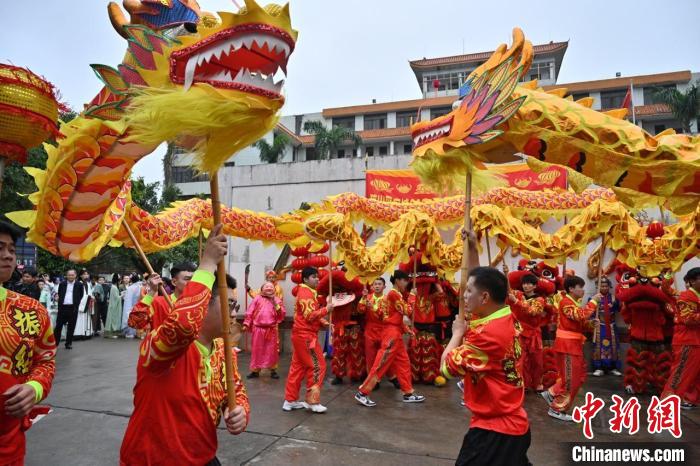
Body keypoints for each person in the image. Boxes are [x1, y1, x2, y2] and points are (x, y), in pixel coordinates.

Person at [120, 225, 250, 465]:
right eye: (230, 305)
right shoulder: (162, 334)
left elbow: (236, 390)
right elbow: (177, 326)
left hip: (204, 456)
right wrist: (208, 264)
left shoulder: (222, 349)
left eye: (236, 307)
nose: (234, 314)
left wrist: (240, 411)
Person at [441, 266, 531, 466]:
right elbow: (480, 277)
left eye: (469, 291)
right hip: (514, 424)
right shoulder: (505, 315)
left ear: (484, 298)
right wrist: (472, 246)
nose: (463, 296)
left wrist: (456, 334)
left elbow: (446, 368)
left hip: (495, 432)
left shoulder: (486, 335)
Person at [0, 221, 56, 465]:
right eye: (0, 248)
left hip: (8, 440)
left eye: (12, 249)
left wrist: (34, 388)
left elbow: (45, 362)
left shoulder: (31, 310)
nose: (7, 256)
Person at [354, 270, 425, 407]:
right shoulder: (393, 294)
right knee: (380, 364)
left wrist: (406, 329)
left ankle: (408, 393)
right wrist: (412, 296)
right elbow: (407, 311)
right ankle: (362, 393)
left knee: (403, 363)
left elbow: (392, 317)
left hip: (394, 332)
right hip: (390, 334)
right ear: (398, 280)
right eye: (405, 280)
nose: (406, 283)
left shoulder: (393, 295)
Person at [541, 276, 600, 421]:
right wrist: (593, 302)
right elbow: (579, 315)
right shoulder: (566, 302)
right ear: (571, 289)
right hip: (567, 346)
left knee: (576, 376)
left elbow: (578, 323)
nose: (583, 290)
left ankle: (552, 393)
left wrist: (591, 325)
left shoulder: (573, 302)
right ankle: (557, 408)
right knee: (570, 379)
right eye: (580, 287)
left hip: (573, 345)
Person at [283, 267, 332, 413]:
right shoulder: (305, 293)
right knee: (318, 365)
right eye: (313, 277)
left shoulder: (308, 292)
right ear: (305, 279)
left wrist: (324, 322)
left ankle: (290, 400)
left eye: (318, 276)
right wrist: (326, 309)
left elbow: (306, 316)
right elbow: (310, 315)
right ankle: (312, 400)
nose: (317, 279)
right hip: (306, 336)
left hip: (301, 334)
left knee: (297, 368)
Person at [662, 267, 700, 409]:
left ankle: (690, 399)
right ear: (691, 282)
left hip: (696, 340)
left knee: (695, 375)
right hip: (687, 340)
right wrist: (669, 272)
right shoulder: (684, 296)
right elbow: (689, 320)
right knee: (680, 373)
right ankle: (667, 404)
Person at [507, 273, 547, 392]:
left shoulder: (540, 300)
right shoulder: (519, 295)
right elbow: (508, 290)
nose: (526, 286)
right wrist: (506, 273)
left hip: (534, 334)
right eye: (524, 283)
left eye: (529, 283)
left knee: (537, 360)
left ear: (535, 286)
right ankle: (524, 384)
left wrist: (516, 302)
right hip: (520, 332)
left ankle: (537, 383)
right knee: (521, 359)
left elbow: (533, 311)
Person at [128, 262, 196, 332]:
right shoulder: (159, 303)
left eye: (195, 279)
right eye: (187, 279)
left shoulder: (200, 303)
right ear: (174, 282)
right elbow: (134, 322)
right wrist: (152, 291)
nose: (193, 282)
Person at [357, 277, 399, 389]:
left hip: (384, 330)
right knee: (370, 357)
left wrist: (374, 307)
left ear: (384, 286)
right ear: (372, 286)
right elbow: (360, 310)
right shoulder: (368, 297)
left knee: (385, 356)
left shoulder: (387, 299)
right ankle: (373, 381)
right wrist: (363, 297)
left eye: (379, 284)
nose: (376, 286)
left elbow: (385, 316)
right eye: (375, 284)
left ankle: (393, 377)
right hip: (370, 330)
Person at [242, 281, 286, 379]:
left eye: (271, 286)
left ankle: (273, 370)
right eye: (266, 286)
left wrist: (275, 304)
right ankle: (255, 371)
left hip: (271, 329)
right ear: (262, 289)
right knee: (257, 350)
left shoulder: (277, 300)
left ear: (274, 289)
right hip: (258, 329)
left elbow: (282, 314)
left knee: (272, 351)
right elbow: (250, 312)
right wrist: (246, 323)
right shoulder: (257, 298)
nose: (269, 288)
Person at [589, 277, 622, 377]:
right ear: (598, 287)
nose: (604, 288)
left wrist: (618, 302)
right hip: (600, 327)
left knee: (614, 347)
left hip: (611, 326)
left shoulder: (613, 298)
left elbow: (620, 309)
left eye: (606, 286)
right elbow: (590, 313)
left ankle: (613, 367)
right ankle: (598, 367)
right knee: (599, 347)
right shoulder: (594, 298)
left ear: (609, 286)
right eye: (602, 286)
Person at [55, 268, 85, 349]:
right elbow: (59, 293)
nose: (70, 276)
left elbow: (81, 295)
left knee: (71, 326)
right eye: (69, 275)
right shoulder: (62, 284)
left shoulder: (79, 284)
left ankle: (68, 343)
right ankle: (55, 343)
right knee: (58, 326)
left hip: (73, 308)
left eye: (72, 275)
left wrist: (76, 303)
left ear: (75, 275)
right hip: (63, 307)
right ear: (66, 275)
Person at [122, 273, 142, 339]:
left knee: (130, 318)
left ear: (131, 280)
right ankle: (138, 333)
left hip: (131, 306)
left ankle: (130, 333)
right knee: (138, 319)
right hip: (139, 306)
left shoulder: (130, 288)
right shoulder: (141, 287)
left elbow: (128, 300)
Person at [104, 274, 123, 338]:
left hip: (112, 305)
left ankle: (112, 333)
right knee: (113, 318)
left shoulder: (113, 287)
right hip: (113, 306)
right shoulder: (114, 287)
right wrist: (122, 296)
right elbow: (116, 298)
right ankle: (111, 334)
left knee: (112, 318)